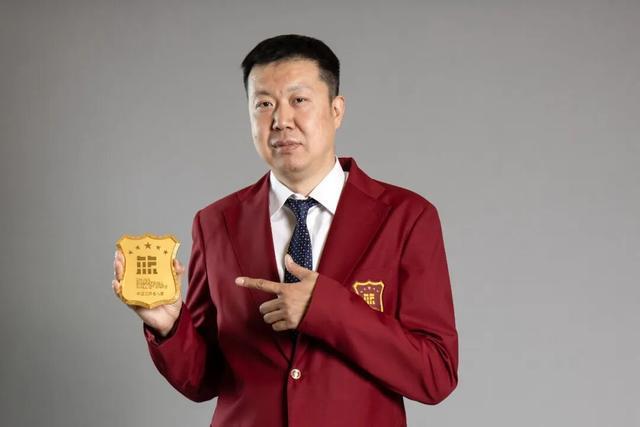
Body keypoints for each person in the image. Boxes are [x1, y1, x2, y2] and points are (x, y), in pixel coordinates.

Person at [112, 34, 458, 427]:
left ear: (336, 110)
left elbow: (436, 373)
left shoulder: (406, 217)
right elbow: (203, 380)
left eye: (299, 100)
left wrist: (326, 309)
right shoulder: (215, 223)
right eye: (264, 104)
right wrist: (171, 326)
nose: (280, 120)